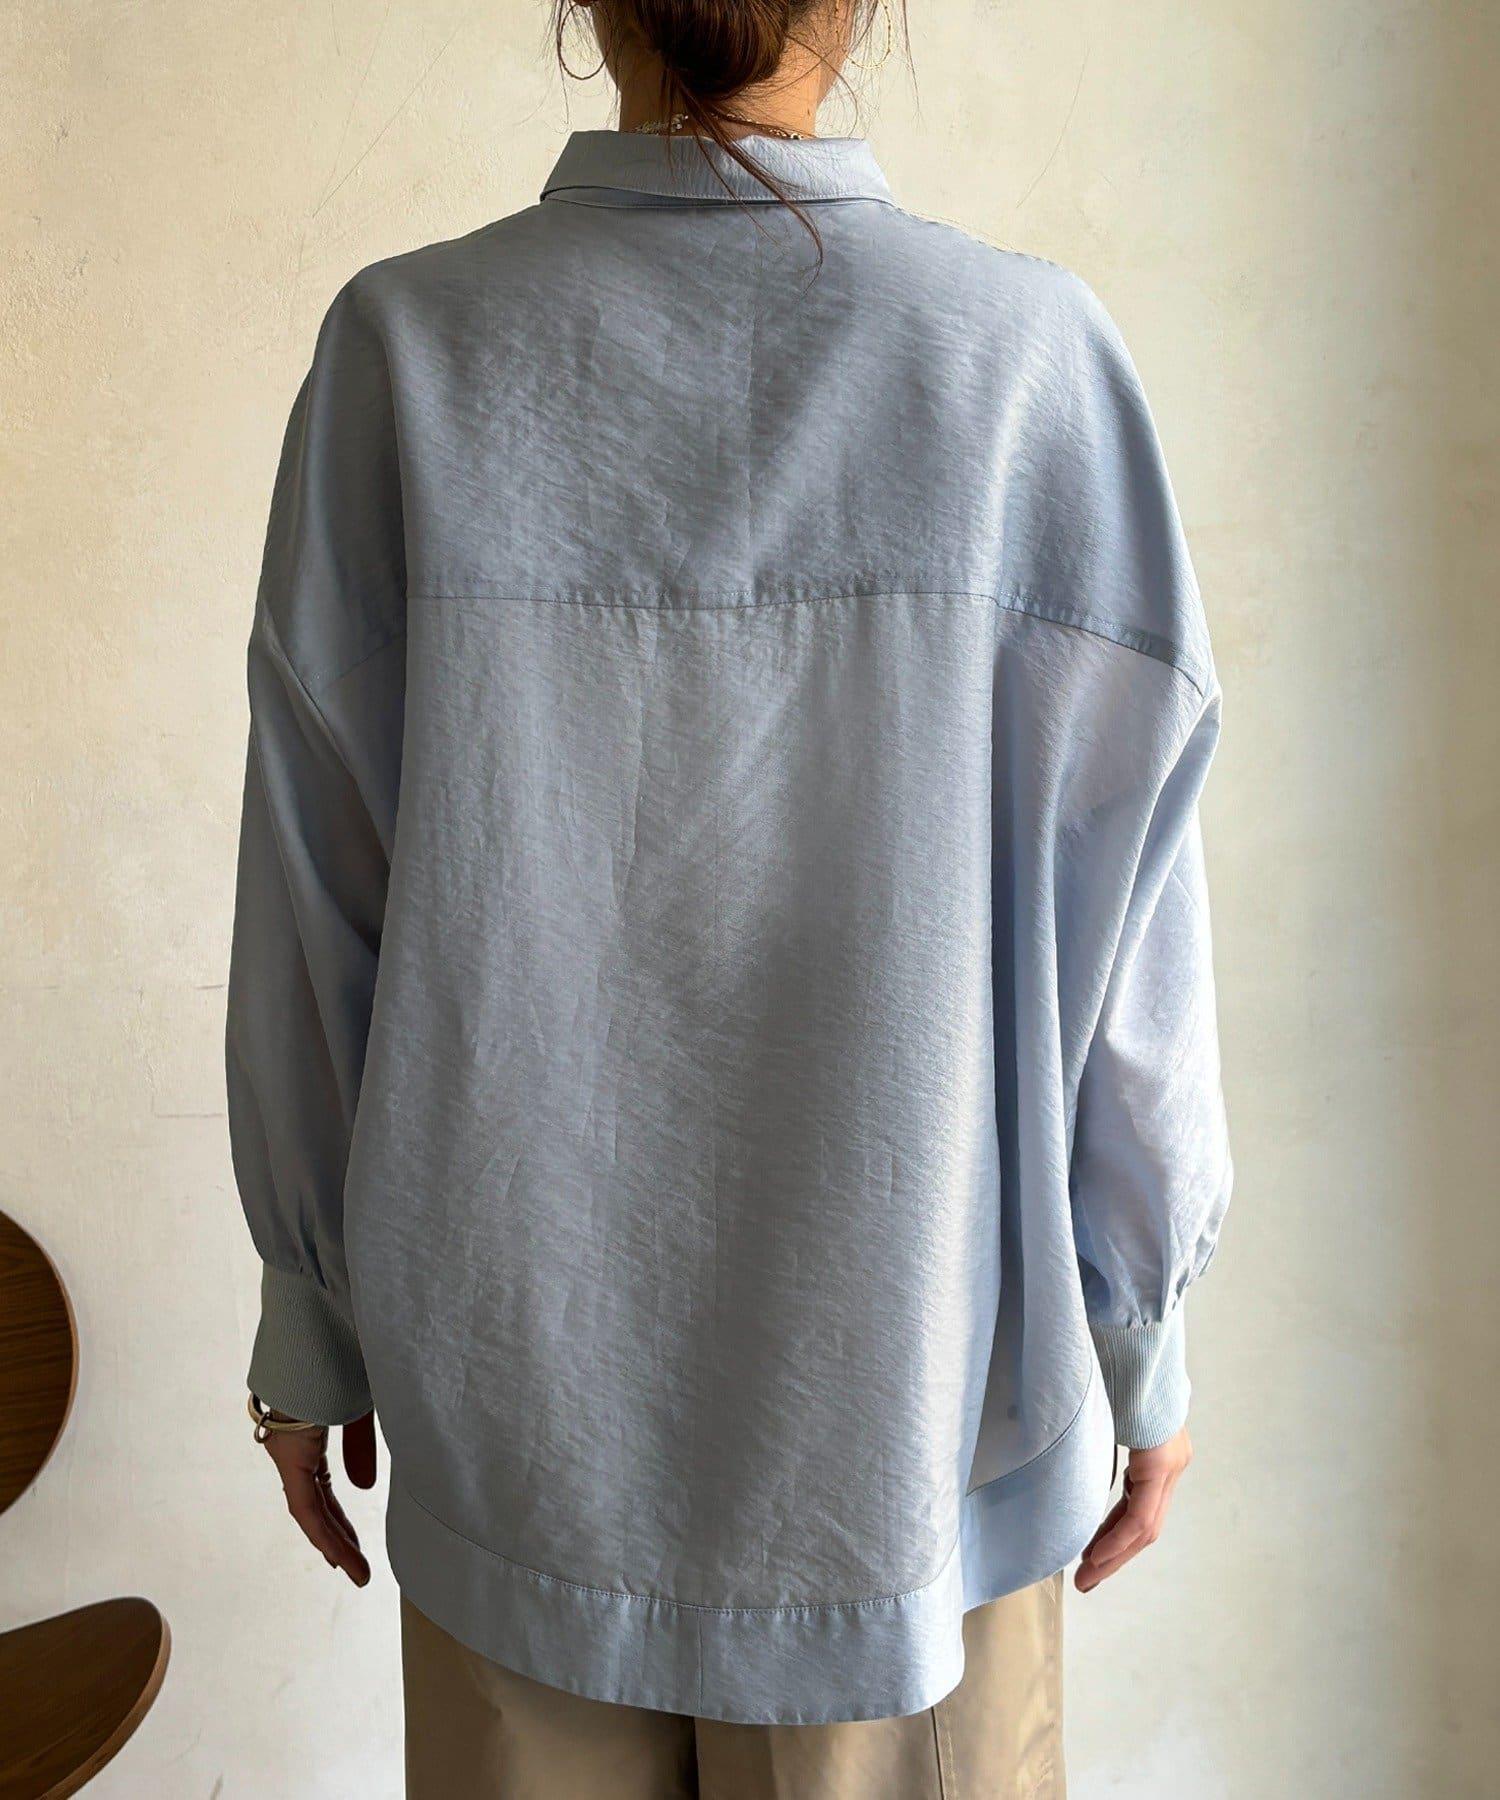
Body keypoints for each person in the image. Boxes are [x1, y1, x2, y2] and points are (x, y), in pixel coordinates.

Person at [226, 1, 1233, 1792]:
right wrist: (1139, 1329)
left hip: (516, 1425)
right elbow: (1127, 923)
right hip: (908, 1437)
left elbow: (318, 895)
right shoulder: (1024, 363)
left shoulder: (410, 354)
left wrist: (311, 1315)